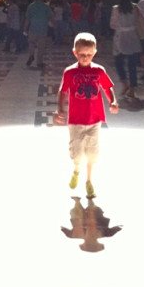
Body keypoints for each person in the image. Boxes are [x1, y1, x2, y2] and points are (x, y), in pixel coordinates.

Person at [53, 32, 119, 199]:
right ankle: (76, 169)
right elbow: (63, 91)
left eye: (89, 55)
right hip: (75, 121)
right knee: (77, 153)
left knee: (92, 152)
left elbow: (107, 86)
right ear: (75, 52)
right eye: (82, 54)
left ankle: (89, 180)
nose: (85, 58)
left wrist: (113, 100)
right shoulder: (70, 72)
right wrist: (59, 108)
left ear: (94, 52)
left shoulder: (98, 70)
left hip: (94, 120)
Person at [109, 0, 143, 100]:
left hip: (121, 36)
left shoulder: (116, 8)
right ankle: (132, 89)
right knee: (132, 64)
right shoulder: (135, 7)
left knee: (118, 61)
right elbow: (139, 20)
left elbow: (112, 24)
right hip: (133, 36)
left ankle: (125, 83)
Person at [24, 0, 52, 70]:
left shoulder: (30, 6)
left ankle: (31, 55)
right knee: (41, 47)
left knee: (31, 43)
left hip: (32, 28)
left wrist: (25, 28)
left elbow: (27, 19)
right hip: (42, 29)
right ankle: (39, 62)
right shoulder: (45, 6)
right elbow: (51, 17)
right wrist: (54, 25)